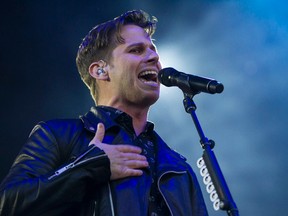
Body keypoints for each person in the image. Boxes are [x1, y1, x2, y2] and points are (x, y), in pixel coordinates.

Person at [0, 10, 208, 215]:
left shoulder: (178, 167)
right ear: (100, 70)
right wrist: (89, 167)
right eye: (136, 50)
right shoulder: (59, 136)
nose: (153, 57)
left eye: (153, 50)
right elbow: (8, 204)